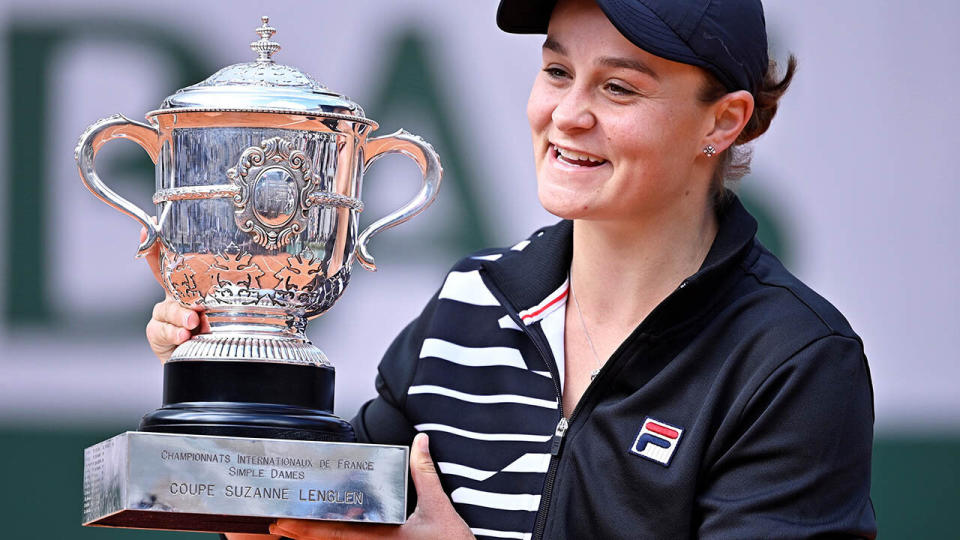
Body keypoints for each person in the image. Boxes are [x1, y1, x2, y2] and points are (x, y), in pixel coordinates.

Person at [146, 0, 877, 538]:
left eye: (618, 87)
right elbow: (304, 524)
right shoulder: (470, 302)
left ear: (723, 121)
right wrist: (226, 368)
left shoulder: (792, 360)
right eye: (558, 71)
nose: (568, 115)